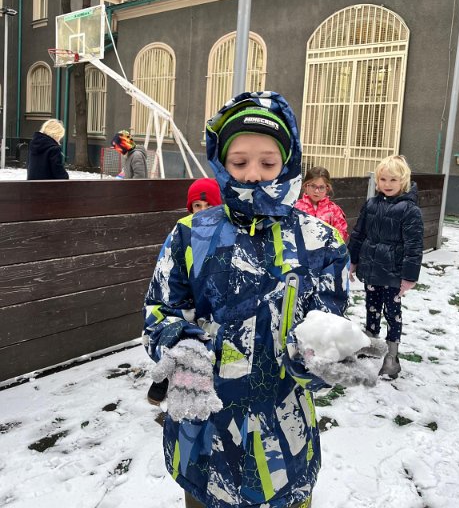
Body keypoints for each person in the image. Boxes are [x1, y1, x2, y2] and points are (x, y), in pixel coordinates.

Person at [143, 91, 374, 508]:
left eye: (268, 163)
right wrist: (179, 343)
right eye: (239, 162)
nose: (253, 175)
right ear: (221, 164)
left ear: (288, 162)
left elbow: (326, 323)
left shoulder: (321, 242)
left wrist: (321, 358)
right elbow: (161, 310)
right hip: (204, 436)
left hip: (283, 441)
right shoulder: (190, 234)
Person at [147, 177, 222, 407]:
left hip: (217, 309)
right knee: (180, 341)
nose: (203, 211)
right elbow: (167, 284)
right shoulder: (183, 232)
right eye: (197, 206)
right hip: (188, 307)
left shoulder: (227, 235)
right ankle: (166, 373)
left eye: (210, 206)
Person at [348, 154, 424, 379]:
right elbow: (359, 234)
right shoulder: (371, 204)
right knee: (371, 306)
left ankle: (392, 355)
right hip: (372, 268)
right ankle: (371, 341)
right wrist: (353, 260)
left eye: (393, 180)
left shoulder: (409, 210)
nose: (387, 184)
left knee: (392, 312)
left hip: (394, 273)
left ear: (403, 181)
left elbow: (414, 246)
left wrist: (409, 277)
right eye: (383, 179)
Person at [294, 166, 348, 241]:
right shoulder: (296, 208)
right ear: (306, 186)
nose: (316, 191)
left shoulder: (334, 210)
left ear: (327, 188)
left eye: (321, 187)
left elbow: (341, 235)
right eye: (313, 186)